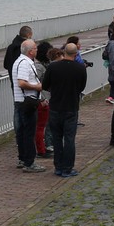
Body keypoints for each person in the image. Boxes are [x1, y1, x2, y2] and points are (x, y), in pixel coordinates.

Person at [42, 42, 87, 177]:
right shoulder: (80, 68)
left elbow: (45, 85)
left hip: (55, 106)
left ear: (64, 52)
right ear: (76, 54)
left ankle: (58, 166)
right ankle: (68, 167)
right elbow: (81, 87)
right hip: (71, 107)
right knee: (69, 139)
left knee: (56, 137)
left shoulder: (53, 67)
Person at [11, 39, 45, 173]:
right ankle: (29, 162)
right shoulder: (24, 64)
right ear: (31, 51)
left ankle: (23, 159)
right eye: (35, 48)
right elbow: (21, 83)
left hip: (21, 101)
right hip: (27, 102)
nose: (37, 50)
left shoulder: (19, 61)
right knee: (29, 132)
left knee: (22, 132)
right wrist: (37, 87)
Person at [34, 41, 54, 159]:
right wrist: (41, 98)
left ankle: (48, 143)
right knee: (44, 124)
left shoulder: (44, 66)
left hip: (47, 97)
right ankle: (46, 145)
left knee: (48, 123)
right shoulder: (39, 67)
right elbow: (36, 83)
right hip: (44, 99)